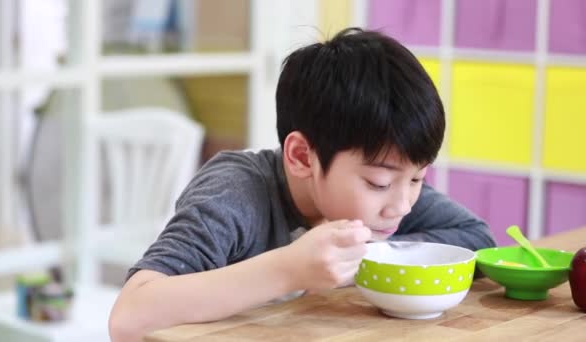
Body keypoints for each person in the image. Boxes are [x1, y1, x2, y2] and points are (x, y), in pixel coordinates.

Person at [108, 27, 496, 341]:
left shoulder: (386, 195)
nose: (403, 205)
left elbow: (476, 239)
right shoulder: (236, 192)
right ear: (300, 156)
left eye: (418, 178)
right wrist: (290, 269)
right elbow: (129, 317)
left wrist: (379, 252)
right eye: (378, 183)